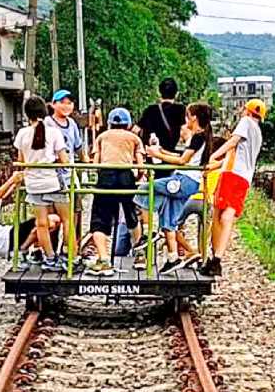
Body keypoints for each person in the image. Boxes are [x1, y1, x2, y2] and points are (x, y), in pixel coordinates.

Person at [137, 103, 213, 274]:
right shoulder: (201, 137)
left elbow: (182, 161)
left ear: (193, 117)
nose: (186, 120)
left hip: (183, 180)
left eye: (187, 116)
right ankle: (172, 257)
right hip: (187, 180)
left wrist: (158, 155)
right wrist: (164, 152)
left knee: (145, 188)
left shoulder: (198, 136)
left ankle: (148, 231)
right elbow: (183, 156)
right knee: (169, 218)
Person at [199, 98, 267, 277]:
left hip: (231, 175)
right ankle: (217, 259)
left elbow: (232, 143)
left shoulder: (245, 122)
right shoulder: (258, 133)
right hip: (244, 178)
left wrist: (212, 156)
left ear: (247, 111)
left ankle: (213, 257)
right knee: (228, 216)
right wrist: (215, 164)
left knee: (217, 213)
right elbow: (236, 155)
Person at [86, 107, 146, 276]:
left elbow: (95, 163)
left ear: (110, 123)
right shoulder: (134, 138)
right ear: (128, 124)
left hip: (106, 176)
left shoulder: (102, 137)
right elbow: (140, 165)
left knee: (99, 218)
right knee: (131, 215)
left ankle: (104, 260)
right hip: (126, 177)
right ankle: (139, 255)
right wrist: (139, 174)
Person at [14, 95, 72, 272]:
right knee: (67, 219)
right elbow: (65, 161)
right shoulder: (54, 133)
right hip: (53, 183)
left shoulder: (22, 134)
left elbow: (21, 161)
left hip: (33, 184)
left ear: (27, 114)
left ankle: (49, 258)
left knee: (41, 223)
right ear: (45, 112)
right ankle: (66, 254)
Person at [0, 170, 60, 266]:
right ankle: (22, 252)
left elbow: (3, 197)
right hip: (2, 240)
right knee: (50, 221)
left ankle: (30, 252)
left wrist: (15, 183)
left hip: (3, 237)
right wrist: (12, 179)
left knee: (49, 222)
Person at [173, 136, 227, 265]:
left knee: (172, 227)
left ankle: (191, 251)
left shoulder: (207, 161)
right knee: (203, 232)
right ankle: (202, 258)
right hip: (207, 201)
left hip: (193, 198)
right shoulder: (223, 166)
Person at [44, 88, 87, 239]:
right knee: (53, 216)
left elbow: (78, 147)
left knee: (75, 212)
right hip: (52, 177)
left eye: (69, 103)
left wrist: (86, 162)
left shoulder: (72, 124)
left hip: (70, 175)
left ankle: (73, 250)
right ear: (53, 105)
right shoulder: (48, 123)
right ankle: (51, 251)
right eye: (62, 103)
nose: (66, 106)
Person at [134, 77, 187, 153]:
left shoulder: (150, 110)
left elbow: (135, 130)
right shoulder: (181, 110)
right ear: (177, 94)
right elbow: (185, 131)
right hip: (172, 155)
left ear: (159, 93)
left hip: (151, 154)